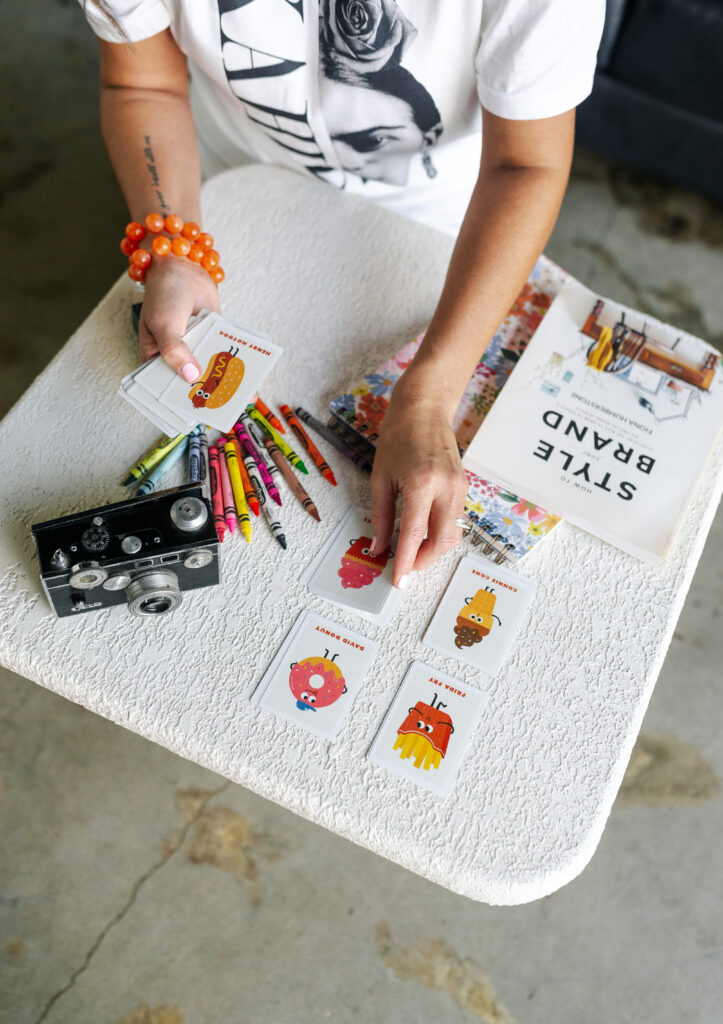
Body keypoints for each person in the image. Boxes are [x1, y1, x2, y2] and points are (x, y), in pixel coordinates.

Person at [80, 0, 605, 587]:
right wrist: (173, 246)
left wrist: (430, 396)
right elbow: (140, 80)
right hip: (234, 188)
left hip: (452, 224)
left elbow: (525, 164)